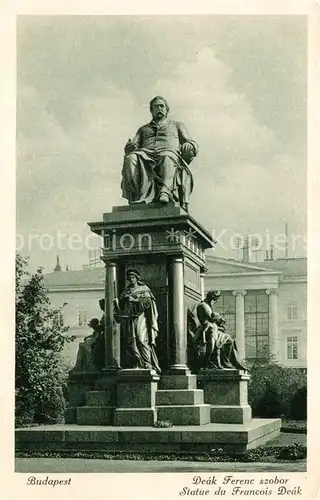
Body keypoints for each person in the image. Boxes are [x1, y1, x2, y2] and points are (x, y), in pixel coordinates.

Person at [121, 96, 199, 211]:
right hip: (145, 154)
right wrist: (128, 149)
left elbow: (191, 142)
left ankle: (165, 191)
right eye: (156, 106)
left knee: (166, 157)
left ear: (167, 110)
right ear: (151, 111)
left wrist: (190, 145)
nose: (159, 108)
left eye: (162, 106)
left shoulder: (177, 125)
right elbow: (133, 145)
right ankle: (137, 196)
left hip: (169, 154)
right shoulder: (143, 129)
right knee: (130, 158)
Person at [114, 268, 161, 373]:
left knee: (141, 339)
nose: (131, 279)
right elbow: (121, 307)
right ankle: (137, 362)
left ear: (137, 278)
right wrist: (118, 303)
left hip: (140, 318)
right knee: (131, 340)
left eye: (133, 277)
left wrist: (134, 300)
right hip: (129, 319)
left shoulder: (144, 289)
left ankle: (147, 364)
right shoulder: (126, 291)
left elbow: (148, 303)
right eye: (129, 278)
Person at [188, 290, 247, 371]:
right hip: (208, 329)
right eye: (215, 299)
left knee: (230, 340)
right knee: (220, 342)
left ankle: (227, 362)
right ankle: (211, 362)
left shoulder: (207, 305)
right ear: (212, 298)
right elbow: (211, 318)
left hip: (213, 328)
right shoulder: (203, 305)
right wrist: (218, 317)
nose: (215, 301)